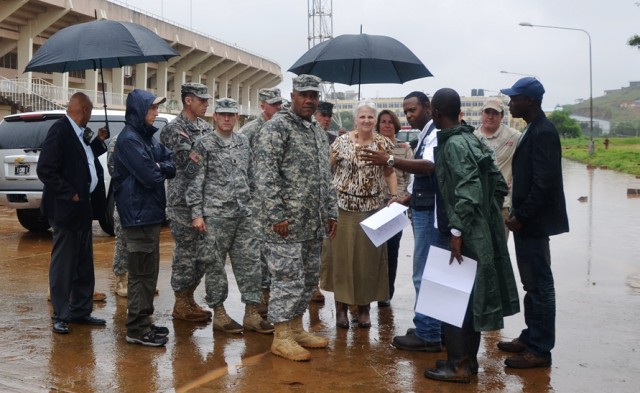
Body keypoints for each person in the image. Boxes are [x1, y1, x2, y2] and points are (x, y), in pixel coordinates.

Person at [423, 88, 520, 383]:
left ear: (436, 113)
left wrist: (457, 230)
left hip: (467, 233)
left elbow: (468, 187)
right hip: (480, 227)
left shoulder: (454, 145)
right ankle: (465, 360)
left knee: (458, 299)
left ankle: (459, 366)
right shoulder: (470, 138)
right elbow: (496, 183)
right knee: (468, 296)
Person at [254, 74, 338, 361]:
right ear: (292, 96)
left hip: (312, 223)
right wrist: (277, 213)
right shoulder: (277, 128)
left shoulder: (315, 129)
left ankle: (296, 326)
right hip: (284, 225)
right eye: (304, 94)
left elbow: (325, 175)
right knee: (286, 279)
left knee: (307, 279)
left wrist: (330, 211)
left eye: (314, 95)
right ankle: (282, 336)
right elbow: (265, 176)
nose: (309, 99)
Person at [361, 91, 448, 353]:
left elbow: (429, 167)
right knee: (430, 272)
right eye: (406, 111)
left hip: (430, 214)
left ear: (428, 107)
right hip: (420, 205)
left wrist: (389, 159)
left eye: (414, 110)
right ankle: (431, 325)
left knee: (424, 274)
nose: (410, 115)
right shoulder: (426, 132)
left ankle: (429, 333)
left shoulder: (433, 134)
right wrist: (406, 199)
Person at [185, 98, 273, 335]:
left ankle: (252, 313)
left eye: (231, 115)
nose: (227, 118)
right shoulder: (203, 144)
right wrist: (196, 214)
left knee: (250, 264)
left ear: (237, 117)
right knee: (214, 266)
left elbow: (252, 177)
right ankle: (220, 314)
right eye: (222, 114)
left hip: (243, 215)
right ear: (214, 116)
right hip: (215, 216)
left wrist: (254, 206)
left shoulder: (243, 142)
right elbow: (194, 182)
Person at [499, 77, 569, 368]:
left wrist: (521, 216)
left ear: (531, 101)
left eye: (515, 98)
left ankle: (540, 349)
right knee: (531, 283)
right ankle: (531, 337)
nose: (510, 102)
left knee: (540, 285)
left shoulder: (543, 132)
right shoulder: (532, 129)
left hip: (534, 223)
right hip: (528, 222)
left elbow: (544, 182)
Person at [37, 92, 108, 334]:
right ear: (85, 110)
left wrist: (98, 142)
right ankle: (61, 315)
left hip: (82, 210)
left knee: (83, 264)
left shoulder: (79, 134)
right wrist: (70, 193)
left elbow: (82, 161)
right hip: (66, 209)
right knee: (64, 265)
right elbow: (45, 169)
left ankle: (80, 311)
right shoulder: (61, 130)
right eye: (90, 110)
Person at [322, 101, 397, 329]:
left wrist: (394, 195)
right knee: (342, 260)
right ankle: (342, 310)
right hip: (342, 208)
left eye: (370, 117)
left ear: (375, 120)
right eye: (362, 117)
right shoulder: (341, 142)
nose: (366, 121)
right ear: (355, 120)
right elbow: (326, 170)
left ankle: (364, 310)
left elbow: (389, 171)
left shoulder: (383, 143)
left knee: (368, 261)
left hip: (373, 208)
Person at [113, 89, 176, 347]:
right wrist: (158, 167)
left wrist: (159, 166)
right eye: (152, 108)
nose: (156, 113)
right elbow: (150, 176)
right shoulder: (130, 140)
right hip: (137, 215)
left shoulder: (147, 138)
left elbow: (170, 163)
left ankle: (144, 320)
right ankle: (136, 329)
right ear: (139, 110)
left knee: (149, 273)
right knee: (140, 274)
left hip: (149, 215)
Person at [160, 82, 213, 323]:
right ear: (187, 100)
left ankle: (190, 297)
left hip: (203, 200)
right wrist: (206, 154)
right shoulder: (174, 128)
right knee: (185, 253)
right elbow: (189, 163)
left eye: (206, 100)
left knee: (203, 253)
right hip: (181, 201)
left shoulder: (204, 126)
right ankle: (181, 302)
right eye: (201, 100)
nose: (206, 104)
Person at [238, 87, 283, 315]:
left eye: (279, 104)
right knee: (257, 253)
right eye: (273, 104)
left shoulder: (283, 129)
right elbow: (238, 167)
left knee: (277, 252)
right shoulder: (249, 131)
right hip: (255, 203)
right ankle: (260, 300)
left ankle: (274, 297)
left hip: (277, 202)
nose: (278, 108)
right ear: (262, 105)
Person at [375, 109, 412, 307]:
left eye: (390, 122)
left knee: (391, 251)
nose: (387, 125)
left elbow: (409, 177)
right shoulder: (371, 146)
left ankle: (386, 293)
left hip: (396, 205)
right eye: (383, 122)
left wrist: (403, 198)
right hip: (373, 203)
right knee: (372, 252)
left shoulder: (404, 149)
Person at [473, 97, 521, 238]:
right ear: (482, 114)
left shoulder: (514, 137)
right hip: (477, 204)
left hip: (502, 205)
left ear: (502, 116)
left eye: (495, 113)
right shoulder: (473, 137)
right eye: (487, 112)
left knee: (500, 251)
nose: (490, 117)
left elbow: (525, 162)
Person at [311, 100, 336, 304]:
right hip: (309, 199)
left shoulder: (333, 141)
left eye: (328, 116)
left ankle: (315, 284)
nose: (326, 119)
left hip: (327, 198)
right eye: (322, 115)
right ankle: (312, 286)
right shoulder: (308, 137)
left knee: (322, 247)